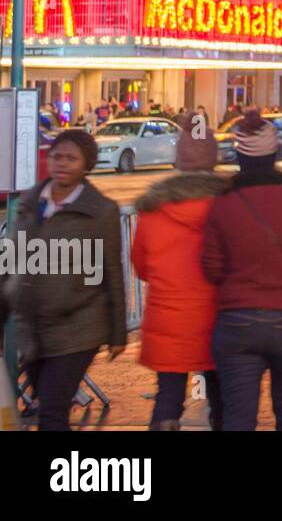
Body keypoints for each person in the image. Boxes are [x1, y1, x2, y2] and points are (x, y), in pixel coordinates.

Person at [201, 130, 282, 430]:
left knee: (238, 413)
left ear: (240, 161)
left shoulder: (223, 205)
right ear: (274, 159)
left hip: (236, 322)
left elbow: (211, 268)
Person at [0, 131, 126, 431]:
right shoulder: (31, 203)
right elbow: (9, 260)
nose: (62, 164)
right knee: (48, 405)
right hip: (33, 329)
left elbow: (111, 270)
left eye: (72, 158)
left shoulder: (101, 211)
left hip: (79, 328)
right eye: (57, 156)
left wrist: (118, 333)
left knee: (53, 412)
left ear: (86, 164)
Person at [132, 120, 229, 430]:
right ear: (214, 159)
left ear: (178, 160)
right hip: (218, 319)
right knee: (222, 397)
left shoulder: (154, 209)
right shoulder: (230, 205)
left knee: (168, 397)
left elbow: (142, 267)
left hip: (168, 319)